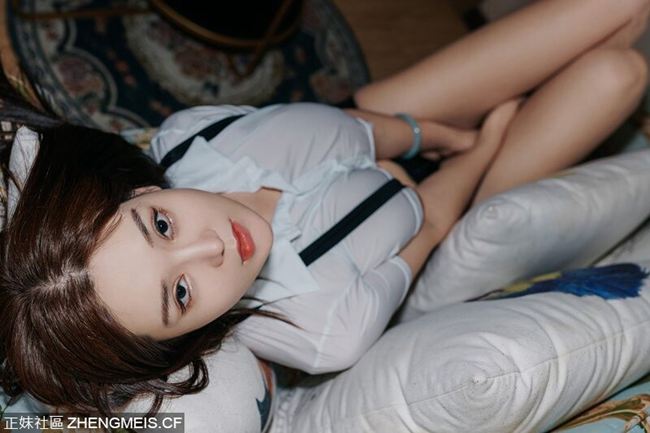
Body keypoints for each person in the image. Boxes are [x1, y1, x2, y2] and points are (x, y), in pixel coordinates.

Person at [1, 0, 648, 417]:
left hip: (376, 125)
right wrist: (486, 142)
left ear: (141, 193)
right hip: (445, 205)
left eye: (162, 226)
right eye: (181, 292)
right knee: (619, 74)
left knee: (618, 7)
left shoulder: (192, 138)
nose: (212, 247)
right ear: (176, 339)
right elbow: (432, 223)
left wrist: (432, 132)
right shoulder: (320, 326)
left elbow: (359, 128)